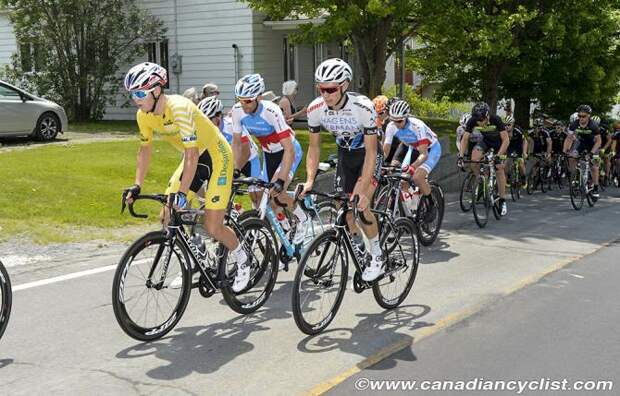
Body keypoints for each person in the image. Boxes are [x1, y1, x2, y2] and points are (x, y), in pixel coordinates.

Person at [122, 62, 251, 292]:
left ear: (156, 90)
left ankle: (243, 259)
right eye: (133, 94)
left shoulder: (179, 107)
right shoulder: (144, 116)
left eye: (140, 93)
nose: (136, 99)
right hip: (193, 159)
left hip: (216, 155)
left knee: (213, 225)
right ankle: (197, 252)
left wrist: (182, 194)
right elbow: (145, 150)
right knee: (167, 214)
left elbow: (191, 153)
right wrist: (137, 185)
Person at [300, 58, 385, 282]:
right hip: (345, 156)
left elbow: (370, 152)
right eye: (321, 89)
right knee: (344, 210)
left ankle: (377, 254)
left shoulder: (363, 108)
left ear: (344, 85)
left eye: (331, 89)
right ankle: (360, 249)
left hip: (369, 155)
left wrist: (363, 188)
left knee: (361, 204)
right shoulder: (316, 109)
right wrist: (309, 180)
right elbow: (314, 147)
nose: (325, 94)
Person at [230, 73, 307, 261]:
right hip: (269, 154)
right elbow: (237, 144)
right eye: (240, 101)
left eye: (248, 101)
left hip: (288, 151)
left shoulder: (271, 111)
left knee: (276, 193)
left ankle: (303, 219)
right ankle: (288, 231)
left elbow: (288, 149)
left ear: (258, 97)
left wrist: (281, 180)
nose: (244, 105)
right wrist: (233, 170)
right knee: (265, 200)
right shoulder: (238, 111)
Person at [197, 96, 262, 205]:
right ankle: (234, 214)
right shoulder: (208, 131)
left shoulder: (231, 126)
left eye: (208, 120)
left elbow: (246, 152)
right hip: (229, 161)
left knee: (256, 197)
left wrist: (234, 172)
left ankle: (264, 218)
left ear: (218, 116)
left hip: (250, 160)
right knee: (218, 194)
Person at [383, 100, 442, 219]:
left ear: (406, 118)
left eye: (399, 121)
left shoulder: (417, 126)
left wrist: (413, 167)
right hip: (411, 147)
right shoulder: (391, 126)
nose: (396, 124)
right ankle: (408, 202)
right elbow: (386, 150)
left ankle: (431, 204)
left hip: (430, 150)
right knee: (394, 173)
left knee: (417, 177)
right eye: (393, 120)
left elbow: (424, 154)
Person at [458, 102, 510, 216]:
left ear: (487, 116)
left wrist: (498, 156)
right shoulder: (473, 121)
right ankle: (481, 180)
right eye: (477, 121)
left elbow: (506, 140)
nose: (479, 123)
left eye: (481, 120)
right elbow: (465, 139)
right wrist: (461, 156)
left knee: (499, 168)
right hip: (485, 142)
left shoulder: (496, 120)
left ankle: (502, 200)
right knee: (474, 161)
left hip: (500, 145)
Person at [563, 104, 602, 198]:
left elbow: (599, 141)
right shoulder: (574, 124)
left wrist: (592, 153)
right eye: (579, 116)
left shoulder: (593, 125)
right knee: (571, 157)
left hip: (593, 145)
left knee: (594, 166)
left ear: (588, 115)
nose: (581, 118)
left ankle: (595, 188)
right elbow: (569, 138)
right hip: (580, 144)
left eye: (583, 116)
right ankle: (575, 177)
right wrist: (565, 151)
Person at [504, 115, 528, 189]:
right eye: (505, 125)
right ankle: (508, 177)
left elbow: (525, 141)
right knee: (507, 163)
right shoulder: (503, 132)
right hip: (509, 147)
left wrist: (524, 152)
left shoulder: (518, 131)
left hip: (518, 147)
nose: (506, 126)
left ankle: (524, 178)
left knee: (520, 163)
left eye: (509, 125)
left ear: (513, 125)